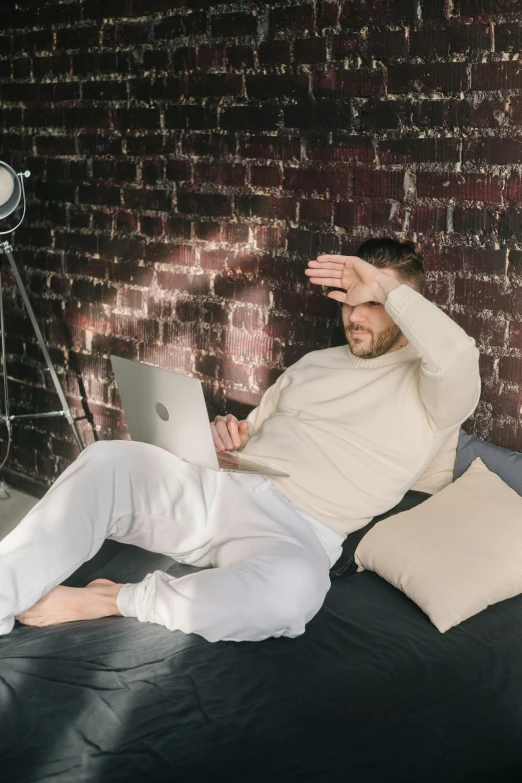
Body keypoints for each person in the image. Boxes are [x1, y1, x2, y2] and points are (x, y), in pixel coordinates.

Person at [0, 238, 481, 642]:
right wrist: (225, 436)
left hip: (297, 531)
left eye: (373, 301)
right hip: (224, 487)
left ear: (405, 304)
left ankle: (114, 598)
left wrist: (386, 287)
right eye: (350, 298)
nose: (355, 314)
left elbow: (460, 355)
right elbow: (252, 434)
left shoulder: (434, 389)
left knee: (293, 595)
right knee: (107, 461)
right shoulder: (313, 364)